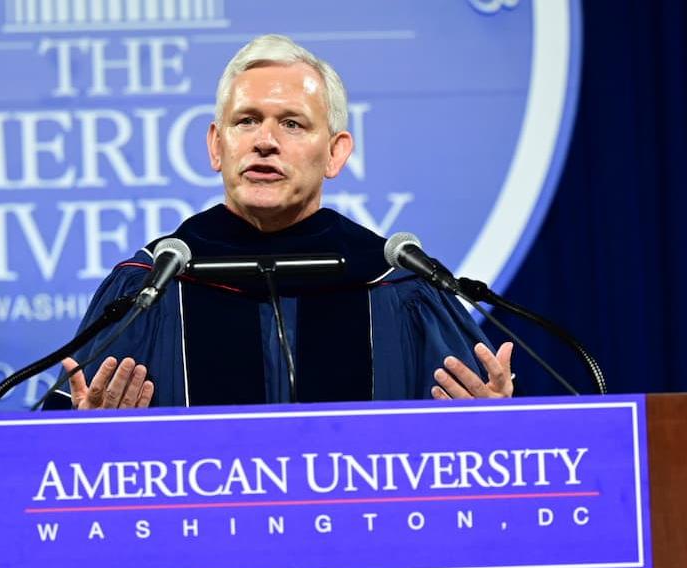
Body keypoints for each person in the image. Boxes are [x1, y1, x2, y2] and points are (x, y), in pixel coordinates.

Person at [46, 34, 513, 410]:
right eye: (246, 121)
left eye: (292, 123)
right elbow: (53, 457)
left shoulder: (396, 283)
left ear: (336, 152)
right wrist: (84, 433)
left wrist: (499, 424)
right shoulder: (151, 288)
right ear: (216, 145)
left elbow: (478, 446)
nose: (265, 141)